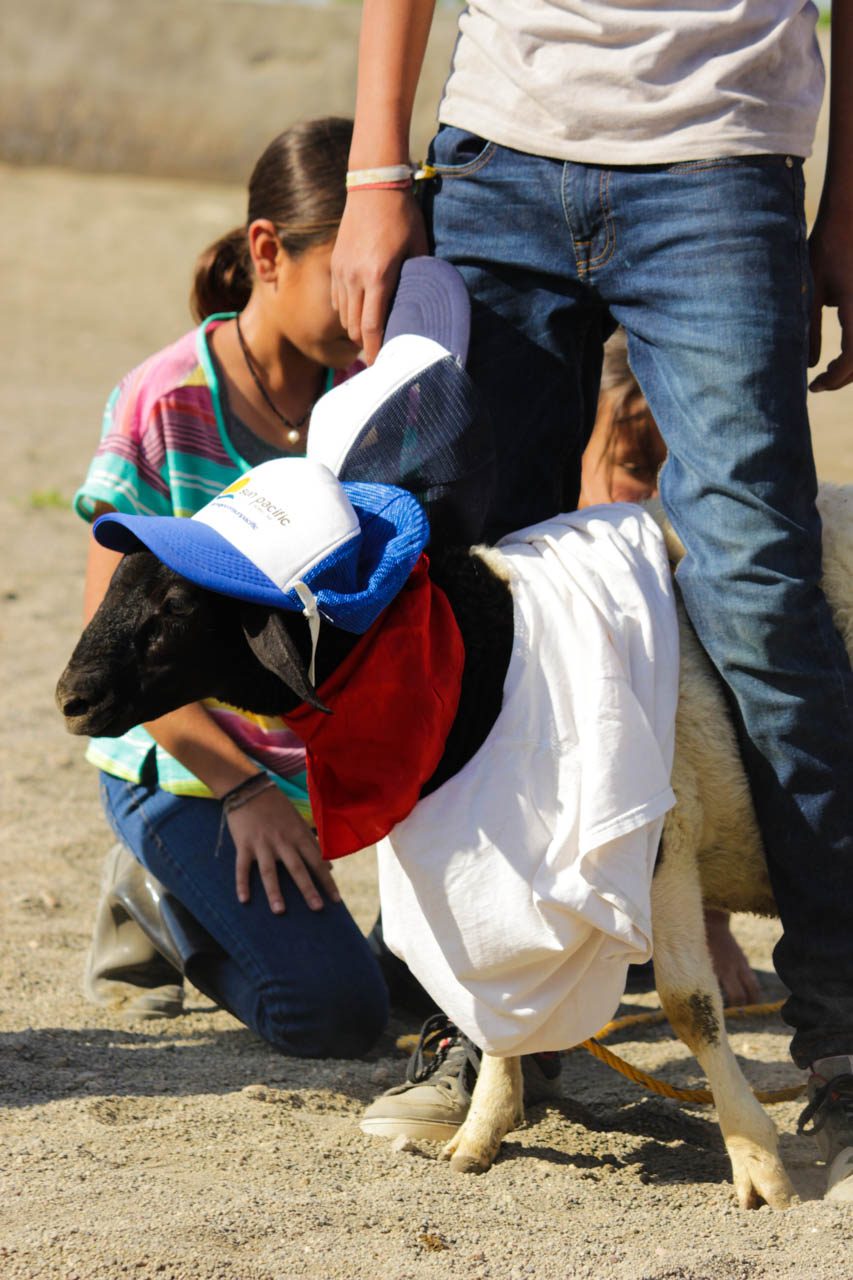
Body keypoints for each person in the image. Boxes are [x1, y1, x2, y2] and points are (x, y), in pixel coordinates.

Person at [332, 0, 853, 1199]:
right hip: (496, 155)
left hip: (722, 160)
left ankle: (839, 1038)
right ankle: (490, 1025)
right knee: (466, 594)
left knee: (759, 590)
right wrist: (375, 171)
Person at [76, 116, 390, 1058]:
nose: (372, 298)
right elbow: (108, 650)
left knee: (438, 999)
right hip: (192, 763)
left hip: (317, 771)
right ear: (267, 253)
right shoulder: (163, 403)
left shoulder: (372, 398)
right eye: (350, 270)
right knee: (336, 1019)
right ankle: (156, 895)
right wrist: (244, 788)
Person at [581, 329, 760, 1009]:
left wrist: (708, 926)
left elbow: (700, 774)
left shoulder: (690, 574)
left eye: (683, 471)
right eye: (636, 467)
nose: (662, 495)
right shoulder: (547, 568)